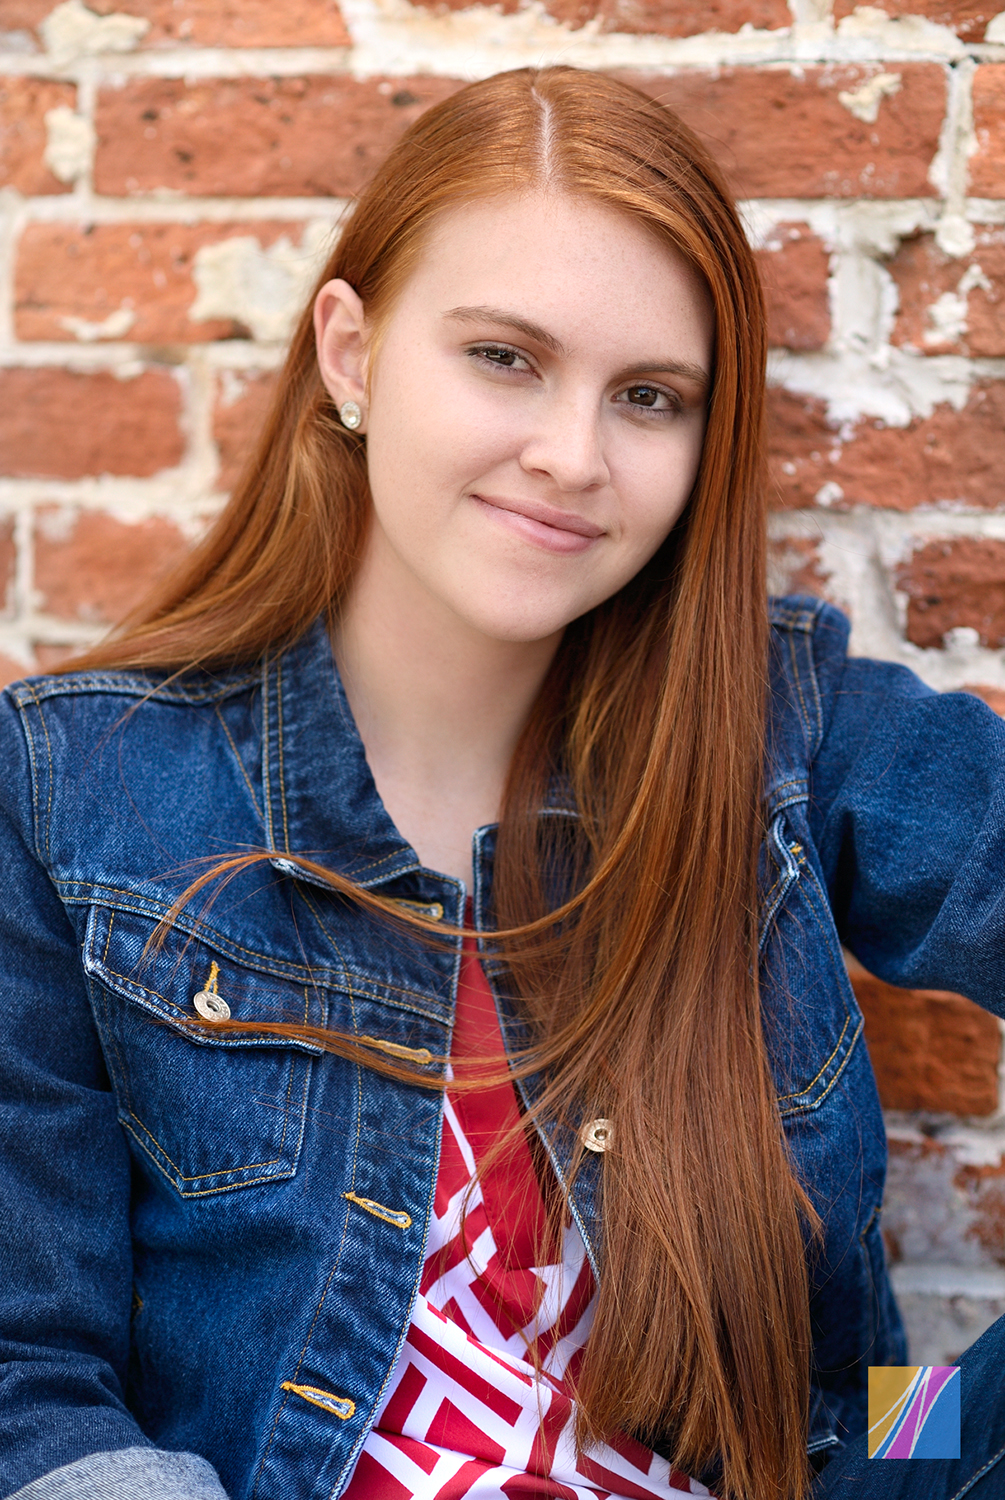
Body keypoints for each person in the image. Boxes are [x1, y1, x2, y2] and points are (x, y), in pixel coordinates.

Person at [2, 64, 1005, 1500]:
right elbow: (27, 1380)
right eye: (505, 358)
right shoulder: (71, 789)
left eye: (648, 396)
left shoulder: (787, 733)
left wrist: (925, 1437)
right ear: (350, 354)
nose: (571, 457)